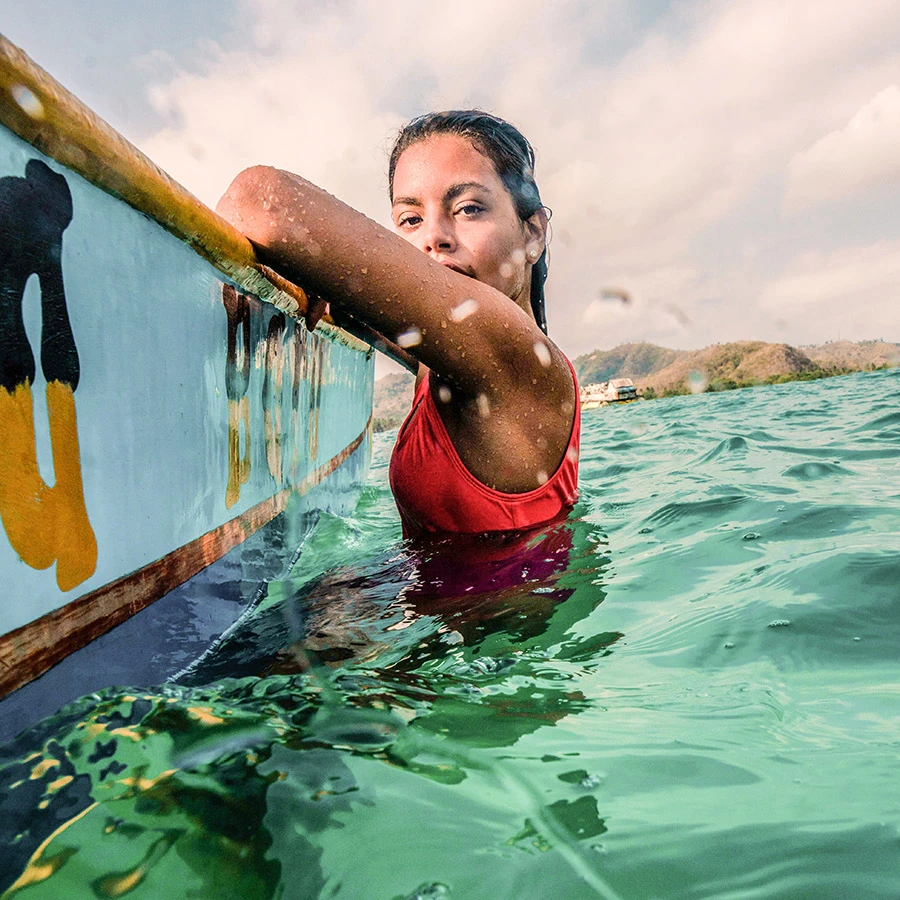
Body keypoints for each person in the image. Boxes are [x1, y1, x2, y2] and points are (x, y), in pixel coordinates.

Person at [217, 110, 579, 536]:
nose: (433, 237)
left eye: (467, 209)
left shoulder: (512, 353)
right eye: (410, 219)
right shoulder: (450, 356)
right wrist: (329, 291)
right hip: (435, 590)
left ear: (533, 233)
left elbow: (260, 200)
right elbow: (378, 322)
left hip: (493, 604)